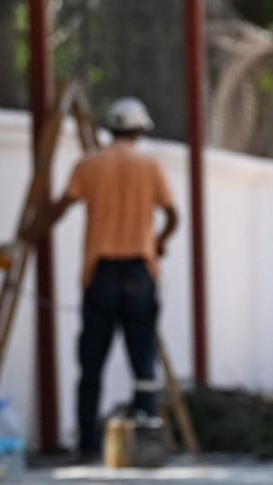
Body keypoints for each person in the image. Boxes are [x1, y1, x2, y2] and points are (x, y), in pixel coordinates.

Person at [40, 97, 179, 457]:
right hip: (138, 271)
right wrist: (158, 242)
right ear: (137, 130)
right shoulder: (150, 167)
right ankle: (146, 442)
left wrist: (27, 233)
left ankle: (87, 443)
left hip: (100, 272)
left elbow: (62, 206)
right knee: (143, 360)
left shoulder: (89, 165)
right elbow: (173, 214)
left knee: (91, 363)